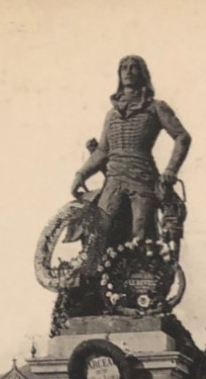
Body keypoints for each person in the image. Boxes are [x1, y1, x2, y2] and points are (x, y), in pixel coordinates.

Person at [71, 56, 191, 244]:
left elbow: (182, 137)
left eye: (134, 68)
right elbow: (103, 151)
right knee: (99, 233)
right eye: (123, 68)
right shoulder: (111, 115)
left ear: (142, 74)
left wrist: (170, 171)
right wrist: (81, 174)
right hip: (114, 179)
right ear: (119, 75)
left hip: (142, 179)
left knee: (141, 235)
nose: (128, 72)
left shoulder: (155, 107)